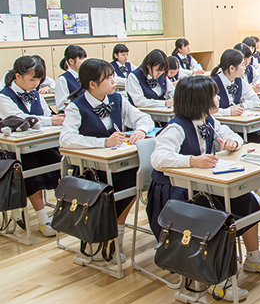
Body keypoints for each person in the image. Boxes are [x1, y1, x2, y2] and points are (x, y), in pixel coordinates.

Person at [148, 75, 260, 301]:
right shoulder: (176, 128)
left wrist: (233, 143)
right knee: (215, 219)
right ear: (200, 100)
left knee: (247, 201)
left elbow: (234, 137)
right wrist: (191, 160)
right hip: (174, 196)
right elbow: (157, 158)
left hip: (202, 187)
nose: (219, 97)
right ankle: (216, 279)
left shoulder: (209, 121)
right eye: (214, 94)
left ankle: (253, 257)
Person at [59, 58, 154, 262]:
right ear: (92, 84)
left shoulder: (117, 99)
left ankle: (115, 237)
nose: (113, 81)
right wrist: (102, 142)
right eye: (108, 78)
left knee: (136, 180)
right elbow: (66, 139)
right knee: (111, 190)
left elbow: (144, 118)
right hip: (91, 170)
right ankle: (106, 235)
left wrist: (140, 130)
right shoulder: (76, 107)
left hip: (119, 164)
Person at [0, 56, 64, 237]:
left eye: (38, 80)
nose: (36, 84)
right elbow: (20, 118)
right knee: (30, 170)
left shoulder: (35, 93)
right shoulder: (4, 96)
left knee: (61, 163)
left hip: (40, 143)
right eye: (32, 79)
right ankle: (42, 218)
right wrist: (51, 120)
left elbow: (44, 114)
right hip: (15, 150)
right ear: (18, 76)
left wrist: (54, 120)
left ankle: (63, 210)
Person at [211, 49, 260, 117]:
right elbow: (207, 111)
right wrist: (228, 112)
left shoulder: (239, 80)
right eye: (242, 65)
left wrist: (241, 106)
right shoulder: (212, 84)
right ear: (232, 68)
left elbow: (255, 100)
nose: (245, 67)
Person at [55, 45, 87, 111]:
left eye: (85, 58)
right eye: (81, 58)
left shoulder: (86, 75)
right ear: (71, 61)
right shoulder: (63, 79)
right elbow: (62, 106)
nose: (85, 61)